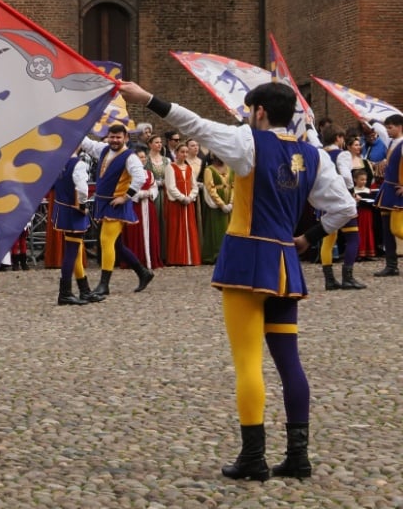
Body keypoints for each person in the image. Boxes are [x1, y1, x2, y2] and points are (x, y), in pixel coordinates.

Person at [119, 80, 356, 481]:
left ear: (259, 110)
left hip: (246, 261)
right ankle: (298, 456)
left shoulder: (249, 143)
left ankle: (253, 457)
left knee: (248, 361)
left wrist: (148, 100)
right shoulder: (313, 155)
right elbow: (344, 207)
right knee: (289, 363)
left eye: (250, 109)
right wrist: (306, 240)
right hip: (284, 263)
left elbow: (194, 125)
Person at [79, 124, 155, 294]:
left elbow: (140, 177)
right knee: (117, 245)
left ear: (126, 138)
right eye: (112, 137)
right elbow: (87, 144)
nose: (114, 140)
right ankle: (143, 272)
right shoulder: (104, 150)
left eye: (118, 137)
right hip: (104, 203)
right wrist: (74, 128)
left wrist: (125, 197)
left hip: (116, 205)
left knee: (106, 241)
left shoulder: (131, 157)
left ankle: (104, 284)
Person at [48, 148, 103, 305]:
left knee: (76, 252)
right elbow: (82, 189)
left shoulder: (57, 162)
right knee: (71, 253)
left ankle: (84, 290)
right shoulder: (77, 164)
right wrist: (83, 204)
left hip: (62, 208)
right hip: (73, 211)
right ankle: (65, 293)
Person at [317, 127, 366, 290]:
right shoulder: (342, 154)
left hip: (326, 201)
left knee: (328, 240)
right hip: (342, 200)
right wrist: (352, 192)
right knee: (353, 238)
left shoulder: (320, 154)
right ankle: (347, 278)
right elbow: (346, 175)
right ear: (338, 138)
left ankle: (329, 279)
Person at [366, 114, 403, 277]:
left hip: (397, 190)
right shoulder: (392, 143)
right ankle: (391, 265)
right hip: (387, 190)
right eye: (387, 127)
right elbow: (377, 128)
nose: (387, 130)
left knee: (397, 228)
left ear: (400, 126)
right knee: (386, 228)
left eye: (391, 127)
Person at [123, 147, 163, 271]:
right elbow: (127, 189)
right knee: (135, 232)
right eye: (140, 157)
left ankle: (150, 258)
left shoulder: (149, 174)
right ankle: (137, 259)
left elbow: (154, 187)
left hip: (148, 206)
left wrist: (150, 193)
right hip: (135, 207)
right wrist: (140, 194)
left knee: (150, 231)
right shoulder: (128, 174)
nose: (143, 159)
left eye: (144, 157)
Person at [164, 142, 202, 266]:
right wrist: (181, 198)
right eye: (182, 152)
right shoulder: (171, 167)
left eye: (186, 152)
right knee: (176, 229)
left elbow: (194, 186)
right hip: (176, 203)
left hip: (188, 203)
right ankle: (177, 257)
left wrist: (190, 197)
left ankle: (190, 257)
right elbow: (170, 186)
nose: (184, 154)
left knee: (189, 228)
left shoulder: (189, 168)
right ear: (176, 153)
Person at [200, 154, 233, 265]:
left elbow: (233, 185)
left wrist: (231, 202)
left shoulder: (230, 168)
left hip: (229, 201)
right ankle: (216, 254)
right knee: (216, 229)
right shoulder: (209, 170)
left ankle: (230, 254)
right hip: (216, 204)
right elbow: (210, 188)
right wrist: (221, 204)